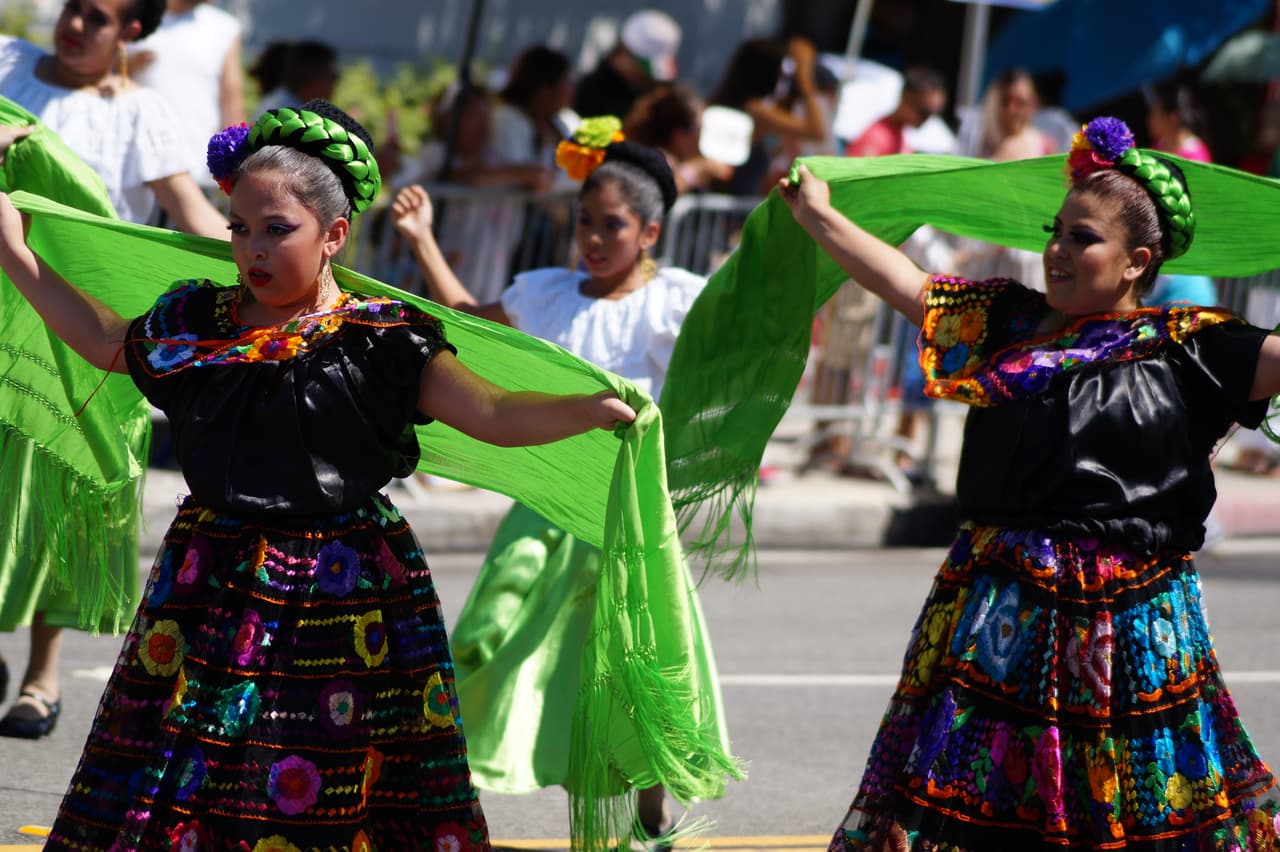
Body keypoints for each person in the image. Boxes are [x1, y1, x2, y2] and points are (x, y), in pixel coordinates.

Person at [0, 98, 635, 849]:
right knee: (189, 778)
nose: (252, 250)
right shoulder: (197, 322)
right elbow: (104, 338)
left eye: (277, 230)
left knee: (314, 784)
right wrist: (11, 247)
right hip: (211, 579)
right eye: (239, 228)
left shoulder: (381, 341)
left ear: (334, 234)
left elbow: (491, 412)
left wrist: (584, 410)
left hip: (342, 589)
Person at [780, 116, 1280, 850]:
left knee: (1131, 809)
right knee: (971, 803)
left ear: (1137, 261)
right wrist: (818, 216)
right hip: (998, 618)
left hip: (1128, 628)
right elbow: (907, 284)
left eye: (1083, 238)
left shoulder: (1192, 347)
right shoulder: (1008, 323)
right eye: (1055, 232)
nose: (1057, 250)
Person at [390, 117, 732, 845]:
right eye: (584, 221)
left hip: (626, 514)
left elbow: (737, 350)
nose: (593, 238)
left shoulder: (676, 300)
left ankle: (648, 792)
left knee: (630, 659)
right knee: (487, 630)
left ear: (650, 233)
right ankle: (451, 776)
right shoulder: (546, 294)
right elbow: (469, 326)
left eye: (613, 225)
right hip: (545, 507)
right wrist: (422, 241)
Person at [0, 0, 228, 741]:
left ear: (130, 31)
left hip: (77, 331)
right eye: (72, 7)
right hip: (2, 315)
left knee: (67, 488)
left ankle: (41, 676)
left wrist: (277, 252)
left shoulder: (142, 114)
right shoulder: (7, 66)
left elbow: (192, 216)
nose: (74, 24)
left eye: (96, 17)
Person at [127, 0, 246, 188]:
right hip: (136, 171)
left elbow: (231, 101)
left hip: (199, 173)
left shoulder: (224, 28)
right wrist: (128, 66)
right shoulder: (133, 15)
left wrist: (236, 165)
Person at [710, 36, 827, 197]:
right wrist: (805, 81)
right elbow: (816, 131)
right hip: (737, 194)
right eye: (781, 75)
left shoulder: (745, 105)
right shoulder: (756, 109)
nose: (783, 82)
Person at [1144, 80, 1218, 309]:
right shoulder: (1159, 147)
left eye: (1154, 113)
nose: (1149, 119)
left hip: (1181, 251)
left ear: (1172, 117)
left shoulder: (1195, 156)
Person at [574, 9, 681, 121]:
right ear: (623, 51)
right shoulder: (587, 96)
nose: (650, 78)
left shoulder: (660, 95)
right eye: (645, 68)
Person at [625, 82, 732, 193]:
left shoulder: (639, 150)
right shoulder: (656, 161)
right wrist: (696, 170)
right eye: (699, 130)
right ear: (679, 136)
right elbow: (657, 191)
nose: (701, 137)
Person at [490, 44, 573, 172]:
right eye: (566, 81)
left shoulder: (559, 124)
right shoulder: (507, 120)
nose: (571, 88)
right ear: (543, 89)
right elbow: (518, 172)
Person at [255, 39, 338, 113]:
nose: (335, 84)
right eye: (334, 77)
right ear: (314, 77)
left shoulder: (279, 102)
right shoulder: (288, 114)